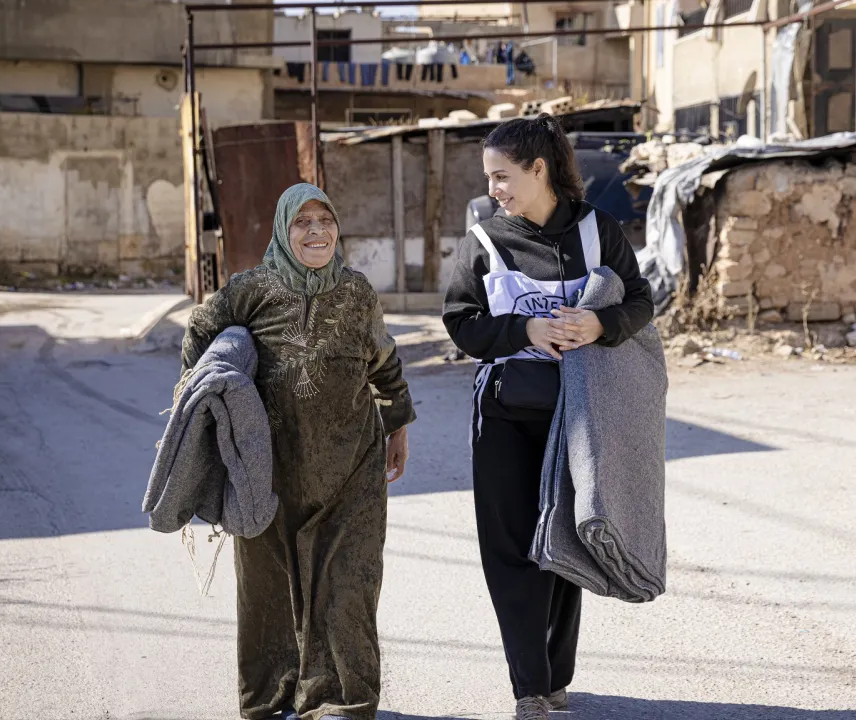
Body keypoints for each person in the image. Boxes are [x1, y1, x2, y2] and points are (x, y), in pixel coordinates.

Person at [442, 114, 654, 720]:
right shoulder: (484, 239)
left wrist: (601, 323)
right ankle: (529, 687)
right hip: (506, 419)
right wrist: (524, 328)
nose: (494, 190)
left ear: (540, 169)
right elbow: (460, 322)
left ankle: (556, 677)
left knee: (563, 542)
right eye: (490, 178)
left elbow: (640, 301)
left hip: (582, 417)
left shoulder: (598, 231)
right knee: (510, 550)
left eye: (503, 176)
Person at [178, 183, 414, 720]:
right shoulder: (250, 289)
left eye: (325, 220)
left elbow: (383, 360)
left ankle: (340, 700)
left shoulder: (356, 292)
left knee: (349, 585)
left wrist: (397, 423)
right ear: (284, 232)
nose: (316, 232)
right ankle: (271, 695)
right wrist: (211, 411)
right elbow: (199, 336)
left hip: (351, 465)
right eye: (302, 222)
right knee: (267, 590)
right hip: (268, 471)